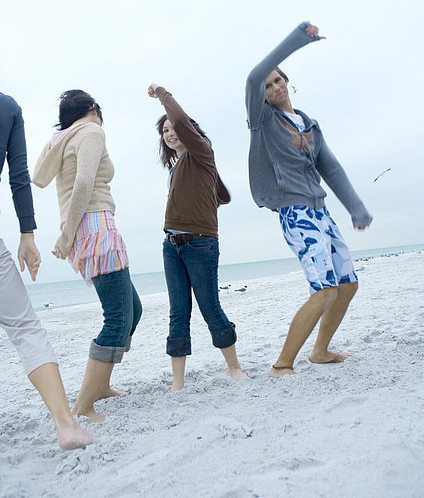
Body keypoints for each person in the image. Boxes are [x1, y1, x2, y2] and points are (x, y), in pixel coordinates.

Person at [245, 21, 372, 378]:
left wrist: (356, 207)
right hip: (295, 212)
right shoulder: (263, 120)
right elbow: (253, 77)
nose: (274, 86)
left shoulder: (308, 123)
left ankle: (320, 350)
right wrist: (299, 39)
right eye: (269, 85)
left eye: (279, 79)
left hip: (321, 210)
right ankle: (281, 365)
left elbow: (331, 168)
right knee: (324, 290)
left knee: (347, 284)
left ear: (287, 82)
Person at [33, 90, 142, 421]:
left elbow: (39, 176)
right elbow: (83, 185)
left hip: (83, 229)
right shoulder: (92, 131)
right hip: (94, 227)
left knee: (131, 311)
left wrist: (69, 235)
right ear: (94, 109)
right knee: (117, 318)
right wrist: (65, 239)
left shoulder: (63, 139)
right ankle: (83, 404)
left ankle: (101, 386)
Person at [0, 91, 95, 450]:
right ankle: (66, 425)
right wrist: (27, 236)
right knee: (25, 328)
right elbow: (19, 177)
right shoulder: (8, 108)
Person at [148, 82, 247, 391]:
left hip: (200, 244)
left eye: (173, 128)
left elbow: (179, 120)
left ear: (189, 130)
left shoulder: (201, 151)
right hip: (171, 247)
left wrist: (162, 94)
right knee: (178, 313)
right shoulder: (176, 168)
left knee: (210, 308)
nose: (169, 133)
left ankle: (235, 369)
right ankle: (178, 382)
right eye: (164, 132)